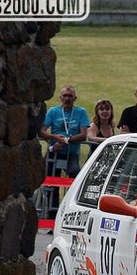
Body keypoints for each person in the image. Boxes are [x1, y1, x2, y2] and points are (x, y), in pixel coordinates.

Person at [38, 85, 90, 220]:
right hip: (54, 152)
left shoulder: (81, 112)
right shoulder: (53, 112)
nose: (67, 98)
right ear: (60, 98)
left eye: (70, 96)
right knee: (50, 183)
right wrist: (55, 138)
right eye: (65, 96)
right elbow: (42, 130)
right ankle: (51, 217)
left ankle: (69, 212)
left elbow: (84, 134)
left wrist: (67, 140)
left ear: (75, 98)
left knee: (74, 175)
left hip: (71, 153)